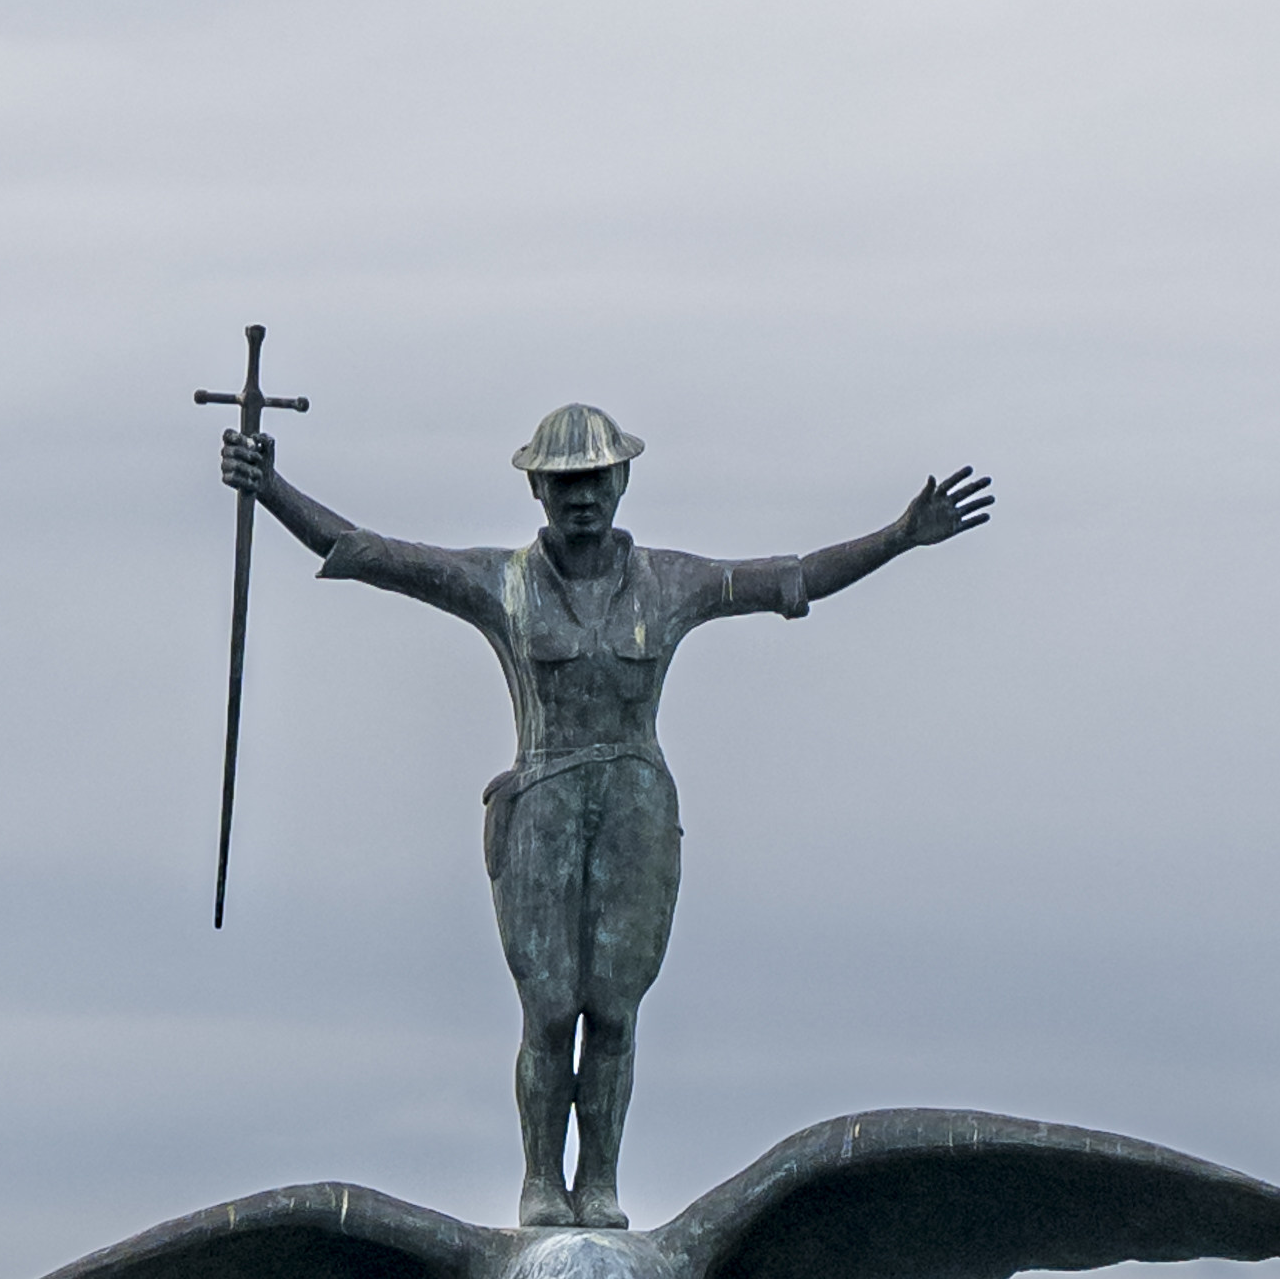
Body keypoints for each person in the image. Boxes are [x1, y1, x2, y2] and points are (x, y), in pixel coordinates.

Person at [223, 397, 990, 1232]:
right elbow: (371, 554)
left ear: (622, 480)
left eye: (594, 478)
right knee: (550, 1010)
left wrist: (898, 536)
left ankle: (599, 1185)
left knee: (617, 1012)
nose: (581, 494)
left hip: (635, 809)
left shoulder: (671, 581)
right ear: (538, 492)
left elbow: (790, 578)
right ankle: (541, 1184)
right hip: (543, 805)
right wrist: (272, 490)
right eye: (563, 482)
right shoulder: (500, 580)